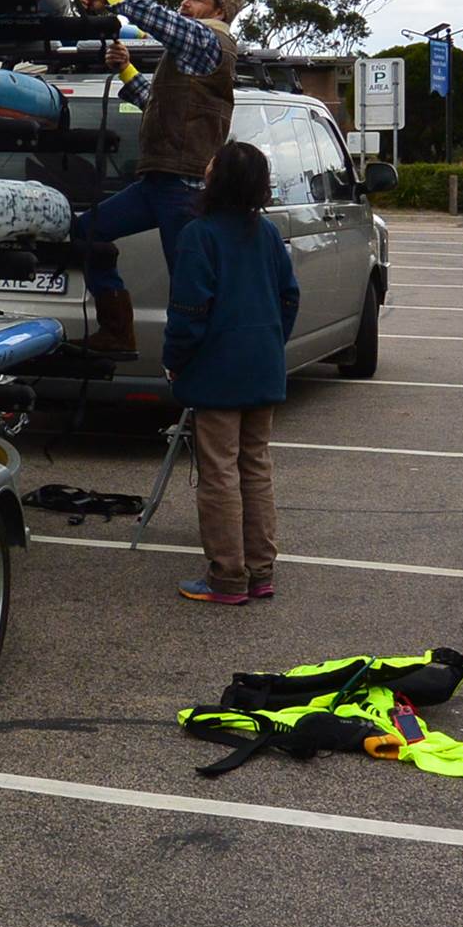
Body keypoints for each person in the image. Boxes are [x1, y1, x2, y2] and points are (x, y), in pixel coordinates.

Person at [70, 0, 246, 353]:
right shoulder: (193, 51)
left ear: (219, 12)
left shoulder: (208, 41)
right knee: (87, 231)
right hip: (159, 182)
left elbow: (155, 17)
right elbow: (157, 104)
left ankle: (198, 361)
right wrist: (127, 69)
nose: (185, 3)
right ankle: (117, 331)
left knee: (188, 284)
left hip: (183, 186)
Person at [160, 140, 298, 606]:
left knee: (219, 471)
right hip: (263, 366)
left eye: (211, 163)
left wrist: (176, 360)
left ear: (217, 179)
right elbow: (290, 297)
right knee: (255, 466)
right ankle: (261, 571)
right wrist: (271, 342)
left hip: (217, 371)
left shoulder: (198, 235)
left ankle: (227, 575)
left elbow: (188, 312)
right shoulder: (268, 234)